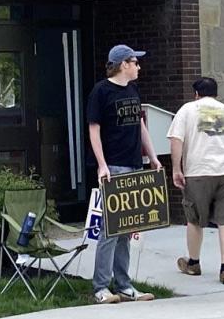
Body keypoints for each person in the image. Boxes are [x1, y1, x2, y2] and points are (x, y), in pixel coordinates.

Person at [87, 44, 162, 304]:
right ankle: (100, 287)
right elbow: (94, 129)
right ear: (122, 64)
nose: (139, 67)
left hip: (134, 164)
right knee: (110, 230)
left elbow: (140, 125)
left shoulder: (133, 89)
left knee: (127, 229)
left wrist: (152, 157)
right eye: (135, 62)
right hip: (115, 165)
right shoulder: (102, 91)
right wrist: (102, 164)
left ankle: (124, 285)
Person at [168, 77, 224, 285]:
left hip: (198, 172)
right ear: (216, 93)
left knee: (194, 219)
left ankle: (194, 263)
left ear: (196, 93)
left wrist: (176, 168)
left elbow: (177, 140)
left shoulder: (187, 110)